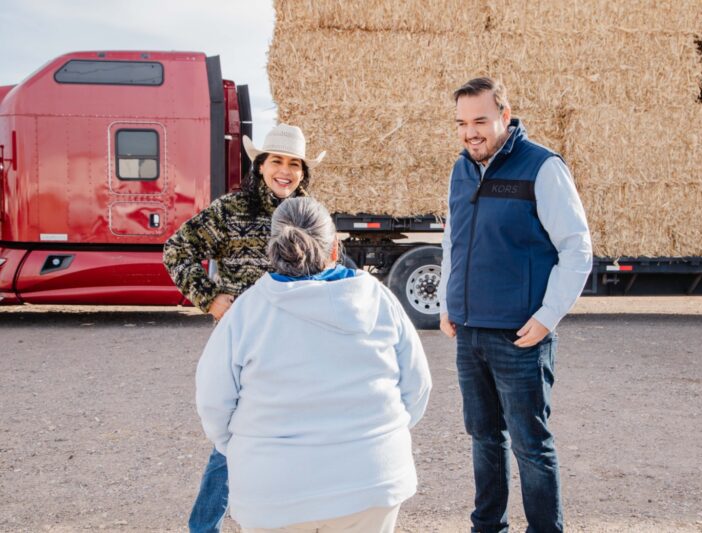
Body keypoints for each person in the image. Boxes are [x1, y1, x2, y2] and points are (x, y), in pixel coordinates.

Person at [195, 196, 432, 533]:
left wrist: (241, 449)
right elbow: (417, 386)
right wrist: (380, 434)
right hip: (373, 480)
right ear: (335, 248)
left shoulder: (246, 313)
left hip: (274, 490)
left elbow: (213, 402)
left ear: (273, 249)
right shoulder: (379, 299)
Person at [439, 77, 592, 533]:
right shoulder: (460, 169)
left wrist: (546, 319)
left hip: (520, 336)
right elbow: (454, 238)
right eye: (463, 123)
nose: (471, 133)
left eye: (481, 121)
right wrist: (450, 298)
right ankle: (488, 527)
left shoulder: (542, 167)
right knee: (484, 439)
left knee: (530, 444)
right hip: (470, 331)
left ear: (505, 117)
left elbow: (577, 248)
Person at [163, 124, 325, 533]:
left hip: (298, 343)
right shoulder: (231, 211)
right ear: (261, 165)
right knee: (233, 439)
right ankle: (204, 527)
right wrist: (210, 298)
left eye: (294, 164)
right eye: (277, 161)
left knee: (297, 436)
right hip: (246, 343)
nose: (285, 171)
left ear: (303, 171)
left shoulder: (310, 215)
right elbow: (177, 249)